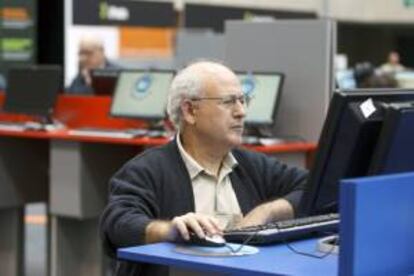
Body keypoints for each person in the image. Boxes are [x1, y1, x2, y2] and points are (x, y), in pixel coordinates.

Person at [99, 61, 308, 275]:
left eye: (243, 100)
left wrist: (268, 211)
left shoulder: (251, 165)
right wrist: (171, 230)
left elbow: (315, 188)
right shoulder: (145, 170)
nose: (241, 112)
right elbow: (118, 225)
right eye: (228, 102)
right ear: (190, 111)